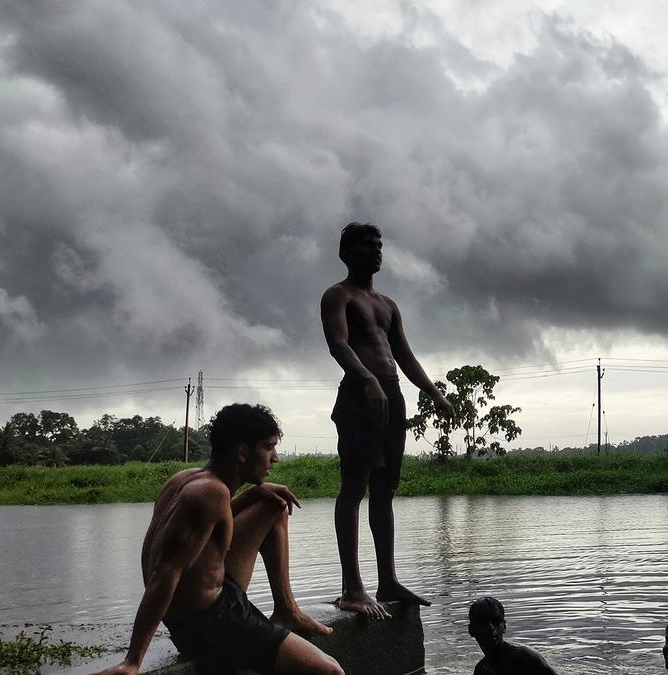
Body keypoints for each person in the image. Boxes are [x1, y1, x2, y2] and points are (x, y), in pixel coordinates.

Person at [96, 404, 341, 675]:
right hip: (212, 622)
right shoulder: (208, 493)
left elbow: (214, 526)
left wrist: (255, 493)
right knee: (330, 670)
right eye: (269, 447)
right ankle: (276, 621)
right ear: (243, 453)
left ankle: (287, 610)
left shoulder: (186, 478)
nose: (275, 458)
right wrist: (133, 661)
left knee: (274, 505)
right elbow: (165, 573)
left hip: (214, 598)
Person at [321, 222, 454, 617]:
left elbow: (405, 357)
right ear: (346, 252)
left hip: (391, 396)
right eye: (367, 244)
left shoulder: (388, 304)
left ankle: (388, 579)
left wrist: (434, 392)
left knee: (385, 490)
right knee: (354, 488)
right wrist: (366, 380)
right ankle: (352, 587)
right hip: (361, 396)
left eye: (379, 244)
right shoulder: (337, 296)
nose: (376, 250)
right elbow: (338, 343)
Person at [468, 597, 558, 675]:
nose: (491, 627)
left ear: (504, 626)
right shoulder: (482, 670)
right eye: (482, 622)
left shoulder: (525, 657)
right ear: (471, 630)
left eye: (496, 621)